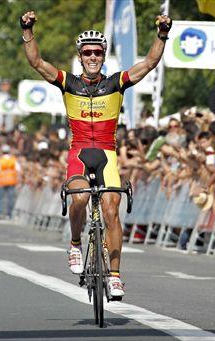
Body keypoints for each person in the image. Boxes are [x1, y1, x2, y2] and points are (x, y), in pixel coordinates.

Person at [20, 10, 172, 300]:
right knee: (78, 199)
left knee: (112, 210)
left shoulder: (116, 82)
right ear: (80, 56)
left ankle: (115, 276)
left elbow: (150, 63)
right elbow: (37, 62)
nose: (93, 57)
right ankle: (75, 243)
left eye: (98, 52)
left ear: (104, 56)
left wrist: (162, 35)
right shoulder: (69, 83)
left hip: (107, 153)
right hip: (79, 152)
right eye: (87, 52)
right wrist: (28, 31)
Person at [0, 144, 20, 219]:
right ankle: (9, 214)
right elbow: (18, 170)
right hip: (11, 181)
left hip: (1, 181)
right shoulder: (13, 160)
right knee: (10, 198)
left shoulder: (0, 160)